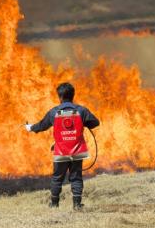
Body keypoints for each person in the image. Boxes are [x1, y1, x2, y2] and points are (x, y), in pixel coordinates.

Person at [25, 82, 100, 210]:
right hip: (77, 151)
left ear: (59, 97)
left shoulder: (54, 112)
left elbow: (42, 126)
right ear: (73, 95)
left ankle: (54, 204)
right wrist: (84, 122)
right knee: (76, 177)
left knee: (57, 178)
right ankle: (77, 205)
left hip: (61, 152)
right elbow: (95, 122)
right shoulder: (81, 110)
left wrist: (30, 127)